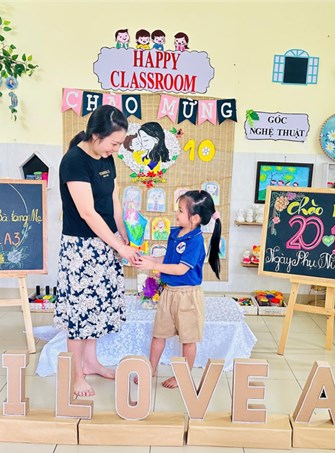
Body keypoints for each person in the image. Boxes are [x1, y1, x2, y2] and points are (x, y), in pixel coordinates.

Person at [54, 105, 140, 397]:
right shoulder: (73, 162)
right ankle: (76, 374)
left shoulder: (107, 157)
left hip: (106, 242)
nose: (115, 149)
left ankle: (91, 363)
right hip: (81, 249)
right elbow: (88, 213)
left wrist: (123, 234)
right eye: (113, 143)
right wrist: (119, 247)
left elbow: (113, 200)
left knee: (97, 308)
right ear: (95, 135)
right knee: (80, 311)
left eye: (119, 144)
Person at [136, 190, 222, 388]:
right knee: (158, 334)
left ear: (195, 218)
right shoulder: (175, 233)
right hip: (169, 292)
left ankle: (182, 376)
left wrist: (153, 266)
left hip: (187, 296)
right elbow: (169, 259)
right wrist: (149, 259)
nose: (176, 213)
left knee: (188, 340)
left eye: (181, 210)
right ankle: (151, 369)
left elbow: (180, 268)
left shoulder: (196, 241)